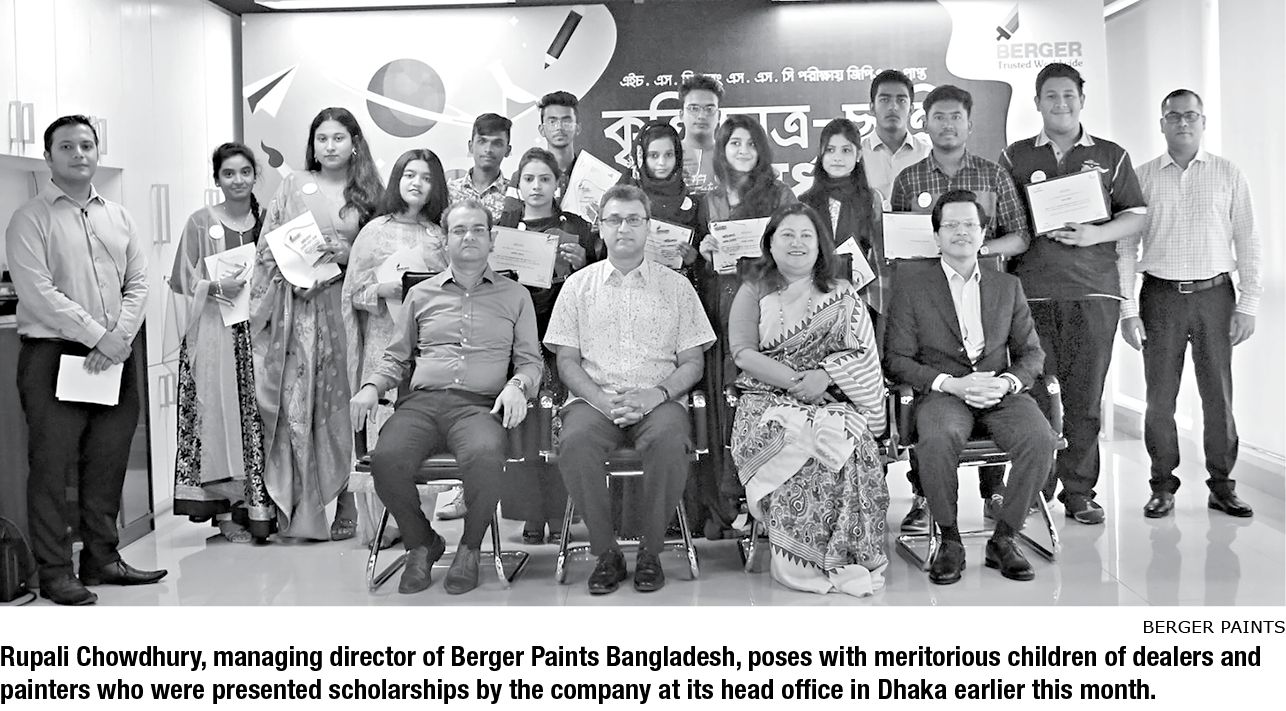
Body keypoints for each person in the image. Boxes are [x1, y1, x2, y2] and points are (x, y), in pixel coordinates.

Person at [6, 115, 166, 605]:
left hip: (116, 353)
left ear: (98, 151)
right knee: (52, 468)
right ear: (48, 157)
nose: (79, 154)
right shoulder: (29, 218)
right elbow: (38, 291)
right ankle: (55, 571)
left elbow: (139, 281)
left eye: (87, 145)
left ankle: (102, 559)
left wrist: (118, 338)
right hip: (54, 356)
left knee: (107, 462)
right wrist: (101, 337)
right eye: (66, 146)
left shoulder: (119, 216)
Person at [349, 199, 542, 595]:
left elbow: (530, 363)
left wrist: (518, 386)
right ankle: (422, 542)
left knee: (486, 457)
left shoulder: (516, 296)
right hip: (422, 404)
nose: (469, 237)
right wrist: (371, 387)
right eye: (459, 230)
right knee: (386, 460)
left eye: (478, 230)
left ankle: (469, 547)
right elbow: (396, 359)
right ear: (446, 240)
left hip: (479, 407)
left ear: (491, 239)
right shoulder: (420, 294)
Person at [545, 184, 715, 594]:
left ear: (648, 227)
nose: (624, 228)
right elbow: (566, 361)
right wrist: (601, 400)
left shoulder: (677, 287)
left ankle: (651, 553)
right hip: (593, 400)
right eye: (615, 220)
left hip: (658, 400)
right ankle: (606, 553)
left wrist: (656, 395)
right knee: (575, 444)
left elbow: (693, 362)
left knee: (670, 442)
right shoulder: (577, 287)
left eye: (634, 219)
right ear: (601, 227)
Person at [999, 63, 1147, 525]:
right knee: (1036, 393)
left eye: (1068, 95)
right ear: (1037, 102)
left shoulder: (1110, 155)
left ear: (1082, 100)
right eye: (1051, 96)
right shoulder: (1015, 157)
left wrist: (1093, 234)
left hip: (1094, 292)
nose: (1060, 103)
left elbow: (1136, 215)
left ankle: (1079, 492)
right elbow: (1005, 220)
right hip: (1032, 294)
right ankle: (1037, 486)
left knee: (1085, 396)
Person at [884, 190, 1055, 585]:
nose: (961, 232)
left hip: (998, 391)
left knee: (1039, 438)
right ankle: (950, 540)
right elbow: (896, 359)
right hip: (944, 393)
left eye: (969, 225)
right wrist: (952, 384)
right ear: (937, 236)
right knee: (938, 436)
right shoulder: (912, 287)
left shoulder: (1007, 286)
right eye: (951, 225)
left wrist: (1007, 382)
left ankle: (1004, 538)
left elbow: (1032, 353)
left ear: (982, 234)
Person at [889, 84, 1034, 532]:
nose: (948, 124)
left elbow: (1021, 236)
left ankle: (1002, 522)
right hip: (932, 307)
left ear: (970, 124)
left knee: (1037, 435)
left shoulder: (993, 175)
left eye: (956, 116)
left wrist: (975, 248)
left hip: (985, 312)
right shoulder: (909, 179)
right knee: (936, 431)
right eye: (939, 116)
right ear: (926, 123)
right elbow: (898, 239)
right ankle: (939, 520)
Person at [728, 202, 889, 596]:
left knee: (851, 440)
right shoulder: (754, 288)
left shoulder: (842, 293)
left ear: (820, 245)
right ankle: (799, 561)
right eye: (787, 235)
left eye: (806, 235)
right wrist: (797, 382)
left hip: (830, 395)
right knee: (799, 440)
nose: (796, 243)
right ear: (770, 243)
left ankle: (847, 554)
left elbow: (863, 354)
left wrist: (826, 376)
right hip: (765, 400)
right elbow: (743, 354)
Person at [1121, 89, 1261, 519]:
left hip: (1215, 297)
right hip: (1160, 298)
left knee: (1218, 396)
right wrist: (1128, 311)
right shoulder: (1142, 177)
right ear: (1161, 123)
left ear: (1203, 122)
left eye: (1191, 115)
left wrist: (1248, 303)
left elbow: (1248, 239)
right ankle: (1162, 486)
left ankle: (1222, 486)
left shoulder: (1227, 173)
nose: (1183, 122)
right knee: (1160, 399)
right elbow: (1124, 247)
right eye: (1174, 116)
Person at [248, 106, 382, 541]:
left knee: (347, 403)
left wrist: (347, 256)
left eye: (338, 138)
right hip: (301, 313)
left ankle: (348, 499)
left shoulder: (371, 192)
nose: (329, 146)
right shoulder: (293, 186)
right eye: (321, 138)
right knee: (300, 406)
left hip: (351, 313)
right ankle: (306, 507)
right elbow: (268, 250)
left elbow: (382, 252)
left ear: (354, 143)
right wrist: (294, 279)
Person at [169, 142, 272, 543]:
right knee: (219, 421)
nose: (237, 180)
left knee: (260, 420)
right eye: (228, 173)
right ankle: (227, 514)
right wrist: (213, 287)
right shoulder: (201, 222)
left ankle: (261, 509)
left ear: (255, 175)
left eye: (245, 172)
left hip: (262, 333)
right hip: (215, 336)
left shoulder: (268, 221)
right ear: (217, 179)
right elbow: (181, 279)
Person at [698, 114, 798, 525]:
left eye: (751, 143)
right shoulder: (708, 199)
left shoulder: (780, 194)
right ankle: (729, 500)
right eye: (734, 143)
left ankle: (769, 499)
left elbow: (795, 248)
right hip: (720, 306)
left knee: (762, 395)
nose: (742, 151)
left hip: (768, 306)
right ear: (722, 150)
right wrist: (704, 251)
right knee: (725, 397)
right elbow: (698, 265)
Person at [497, 147, 598, 544]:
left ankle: (560, 512)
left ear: (558, 184)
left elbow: (595, 282)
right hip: (516, 337)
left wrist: (582, 262)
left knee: (558, 424)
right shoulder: (502, 227)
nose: (536, 186)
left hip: (563, 336)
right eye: (529, 179)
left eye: (544, 179)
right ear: (518, 185)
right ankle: (530, 514)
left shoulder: (576, 227)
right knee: (521, 424)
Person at [342, 148, 449, 451]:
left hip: (429, 346)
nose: (417, 183)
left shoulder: (439, 236)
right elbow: (352, 294)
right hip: (383, 339)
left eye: (426, 178)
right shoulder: (374, 232)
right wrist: (382, 290)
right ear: (397, 180)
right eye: (410, 175)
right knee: (381, 422)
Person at [799, 118, 883, 312]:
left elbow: (879, 253)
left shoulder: (872, 200)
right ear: (820, 154)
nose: (837, 157)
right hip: (814, 298)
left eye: (846, 150)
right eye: (830, 150)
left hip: (863, 298)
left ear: (858, 155)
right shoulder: (804, 203)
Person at [619, 120, 702, 287]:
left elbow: (703, 264)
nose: (662, 162)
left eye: (669, 155)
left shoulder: (691, 204)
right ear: (641, 157)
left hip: (677, 293)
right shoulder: (622, 200)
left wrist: (693, 258)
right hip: (631, 291)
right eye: (654, 155)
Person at [861, 69, 932, 209]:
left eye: (901, 100)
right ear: (872, 108)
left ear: (911, 109)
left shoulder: (928, 154)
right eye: (884, 100)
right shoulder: (857, 154)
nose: (893, 107)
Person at [447, 113, 513, 223]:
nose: (488, 149)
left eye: (497, 143)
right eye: (482, 142)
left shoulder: (513, 195)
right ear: (470, 146)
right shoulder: (449, 192)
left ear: (508, 150)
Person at [678, 73, 724, 196]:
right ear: (681, 114)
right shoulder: (669, 155)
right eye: (694, 108)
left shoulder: (730, 156)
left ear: (719, 116)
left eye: (709, 109)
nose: (701, 116)